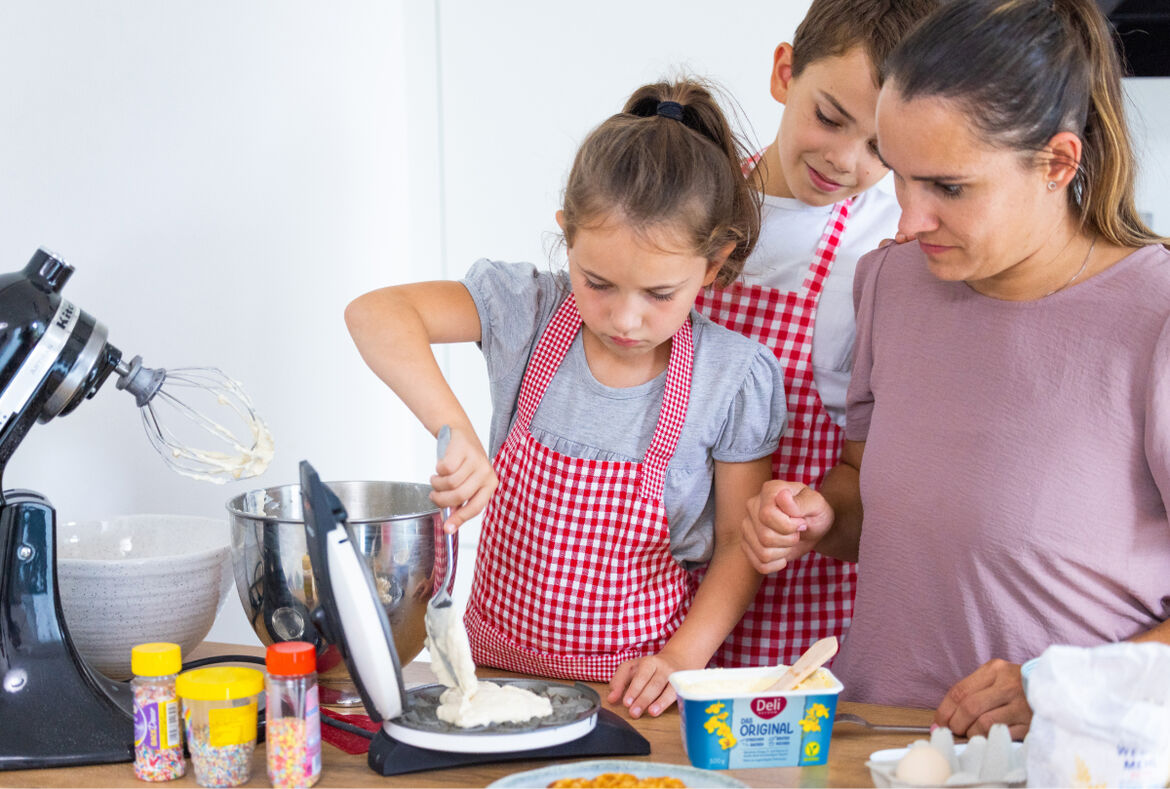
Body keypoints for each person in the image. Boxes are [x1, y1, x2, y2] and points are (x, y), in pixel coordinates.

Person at [740, 0, 1170, 740]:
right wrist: (817, 515)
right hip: (874, 743)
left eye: (948, 187)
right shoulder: (891, 283)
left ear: (1057, 163)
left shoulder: (1154, 315)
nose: (907, 220)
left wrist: (1068, 692)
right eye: (899, 176)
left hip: (1071, 758)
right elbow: (874, 502)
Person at [346, 80, 786, 718]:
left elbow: (739, 546)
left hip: (633, 697)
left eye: (660, 294)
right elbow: (375, 314)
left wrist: (682, 659)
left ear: (713, 267)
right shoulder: (528, 312)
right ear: (567, 237)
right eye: (598, 282)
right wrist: (456, 431)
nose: (626, 318)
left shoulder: (731, 377)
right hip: (488, 684)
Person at [695, 0, 938, 669]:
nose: (843, 159)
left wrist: (808, 513)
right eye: (829, 117)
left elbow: (873, 477)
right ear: (783, 72)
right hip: (648, 602)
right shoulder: (690, 196)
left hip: (792, 626)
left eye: (881, 149)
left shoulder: (883, 257)